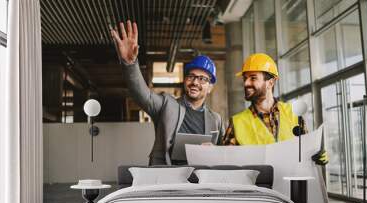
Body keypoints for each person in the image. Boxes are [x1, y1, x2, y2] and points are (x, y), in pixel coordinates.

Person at [111, 21, 224, 165]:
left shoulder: (216, 120)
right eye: (191, 76)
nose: (195, 82)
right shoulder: (167, 105)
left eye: (202, 79)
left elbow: (223, 155)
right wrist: (130, 64)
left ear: (210, 87)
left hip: (201, 180)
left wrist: (215, 150)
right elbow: (141, 94)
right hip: (166, 177)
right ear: (185, 80)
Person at [222, 53, 328, 165]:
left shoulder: (293, 114)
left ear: (270, 82)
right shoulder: (237, 123)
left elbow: (307, 150)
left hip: (290, 182)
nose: (246, 83)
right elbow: (226, 164)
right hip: (256, 182)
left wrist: (318, 155)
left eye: (253, 78)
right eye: (245, 78)